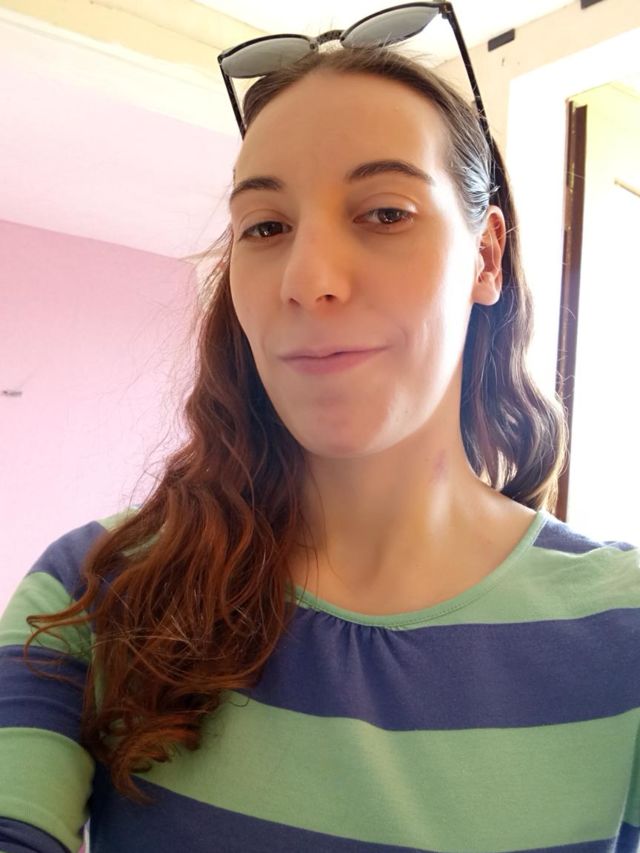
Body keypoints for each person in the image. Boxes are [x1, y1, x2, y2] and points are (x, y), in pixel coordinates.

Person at [1, 30, 640, 853]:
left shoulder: (624, 627)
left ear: (485, 257)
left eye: (385, 213)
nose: (308, 280)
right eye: (266, 227)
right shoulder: (95, 589)